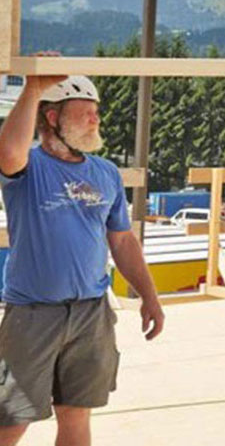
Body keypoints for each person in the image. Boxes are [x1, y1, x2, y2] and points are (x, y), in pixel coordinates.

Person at [0, 74, 164, 446]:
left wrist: (149, 296)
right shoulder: (30, 166)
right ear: (52, 118)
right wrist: (33, 89)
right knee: (11, 421)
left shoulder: (105, 172)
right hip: (33, 315)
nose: (95, 119)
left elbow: (122, 240)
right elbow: (8, 153)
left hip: (91, 313)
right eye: (85, 112)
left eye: (96, 111)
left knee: (76, 414)